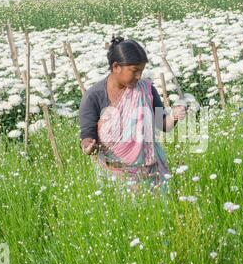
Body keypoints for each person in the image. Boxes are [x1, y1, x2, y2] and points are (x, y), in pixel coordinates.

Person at [79, 36, 186, 193]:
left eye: (141, 72)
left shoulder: (147, 89)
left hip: (151, 171)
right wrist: (88, 147)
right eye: (134, 71)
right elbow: (87, 135)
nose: (138, 77)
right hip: (115, 174)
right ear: (116, 67)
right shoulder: (94, 96)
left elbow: (163, 124)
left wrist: (174, 116)